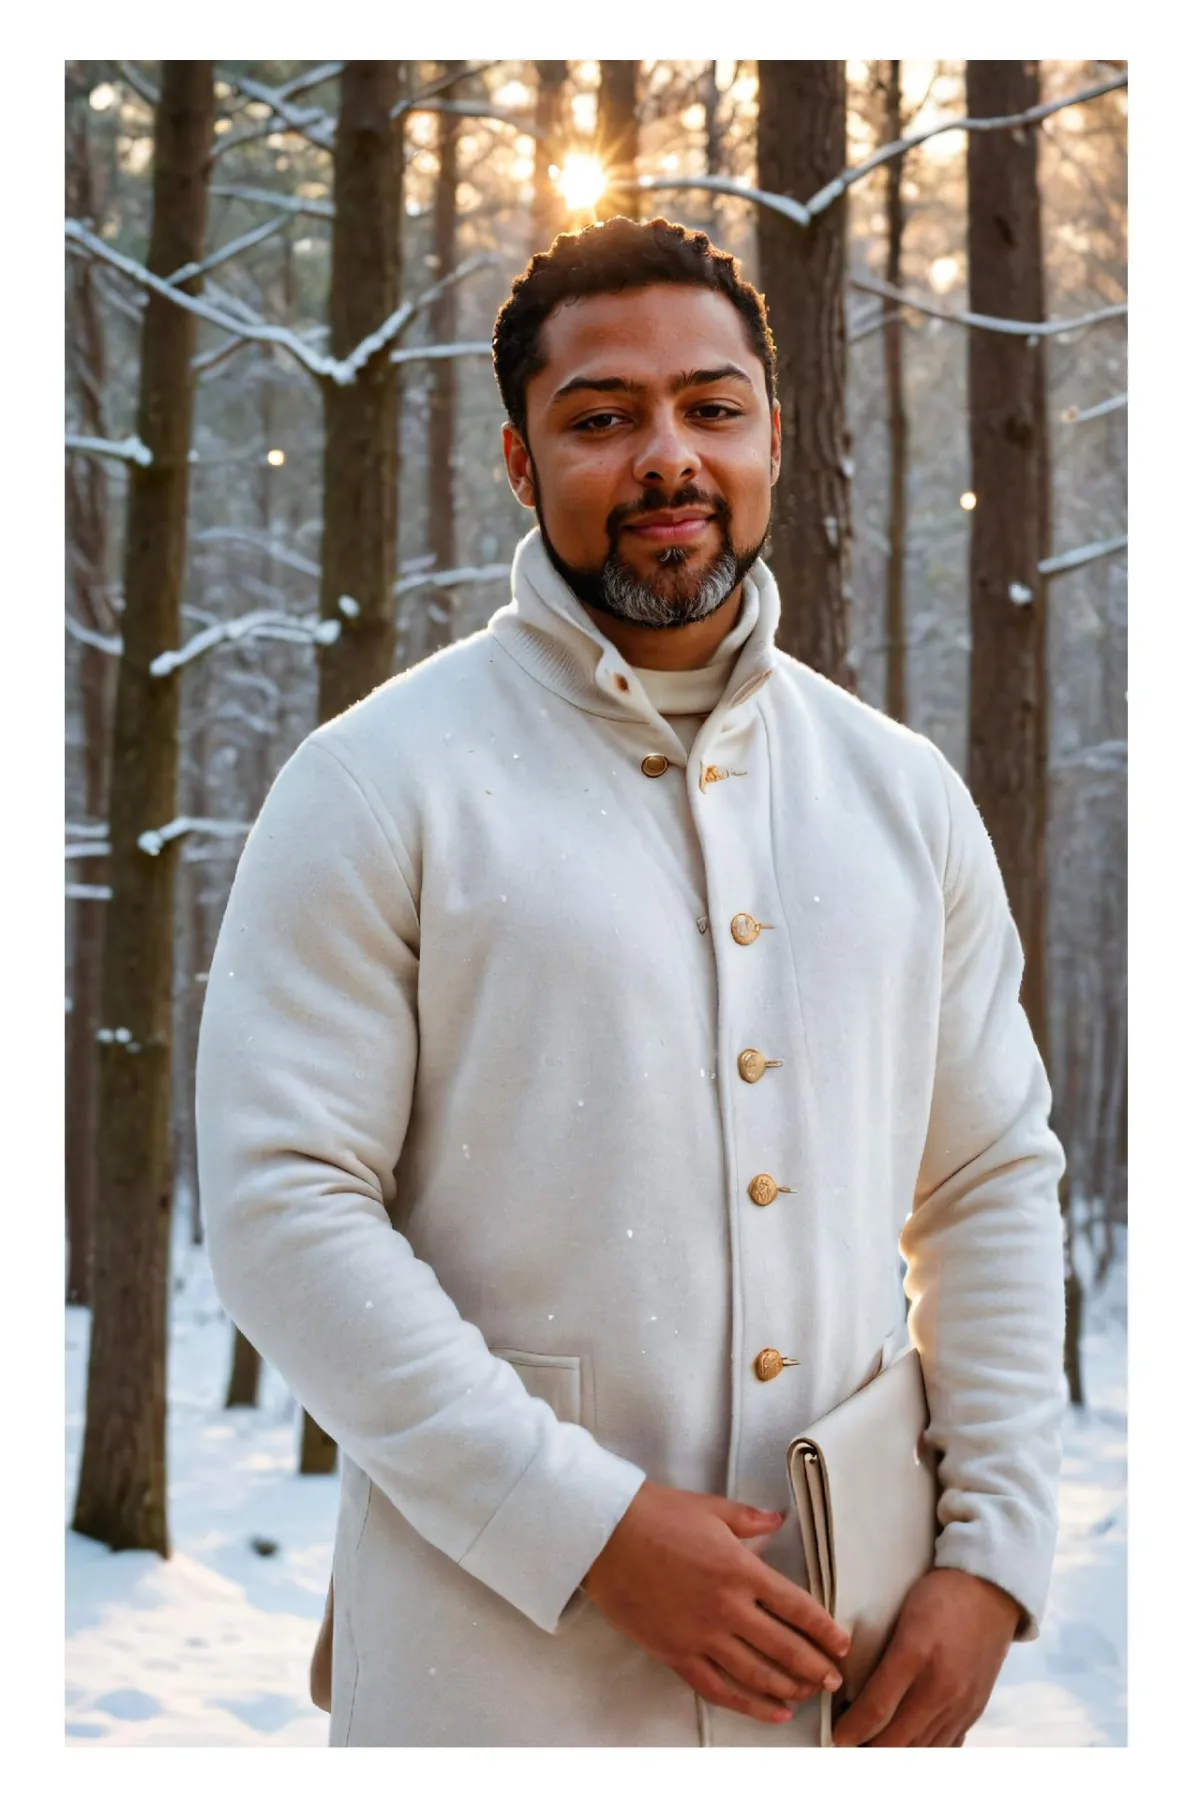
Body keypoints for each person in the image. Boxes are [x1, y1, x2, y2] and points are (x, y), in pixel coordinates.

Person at [196, 216, 1066, 1749]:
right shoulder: (377, 785)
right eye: (602, 418)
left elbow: (988, 1177)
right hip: (490, 1680)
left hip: (839, 1668)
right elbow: (280, 1207)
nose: (668, 454)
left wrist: (989, 1551)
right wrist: (583, 1525)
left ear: (774, 438)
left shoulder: (904, 797)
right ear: (523, 466)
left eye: (711, 407)